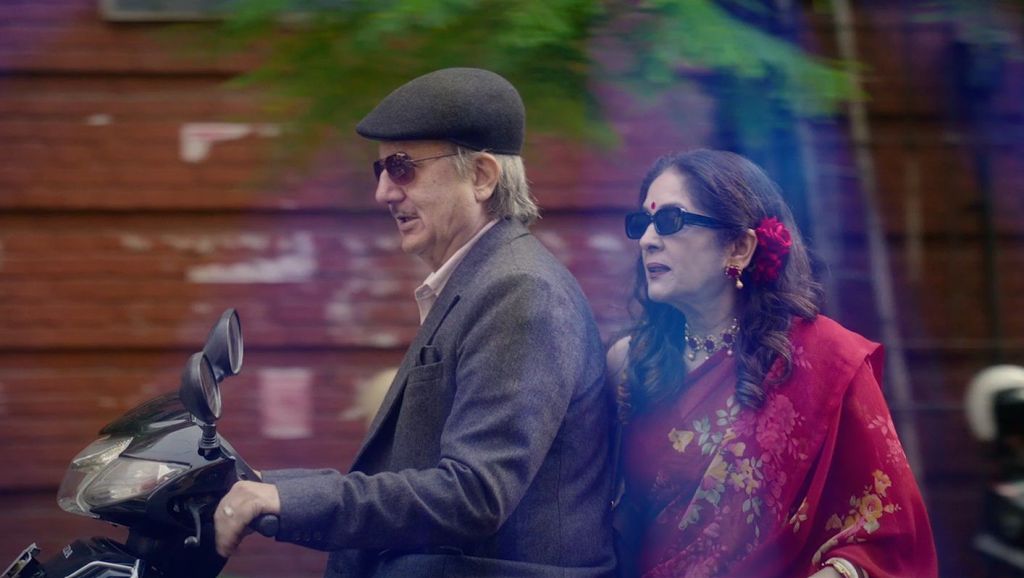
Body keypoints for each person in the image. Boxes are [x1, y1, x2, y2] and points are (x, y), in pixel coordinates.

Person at [214, 67, 617, 577]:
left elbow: (473, 494)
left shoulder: (519, 290)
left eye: (402, 168)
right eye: (380, 170)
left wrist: (286, 501)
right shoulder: (481, 280)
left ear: (482, 176)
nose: (383, 192)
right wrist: (266, 488)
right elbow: (412, 471)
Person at [607, 149, 937, 578]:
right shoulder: (631, 365)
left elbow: (888, 530)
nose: (647, 239)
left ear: (739, 247)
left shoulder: (823, 359)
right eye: (643, 223)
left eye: (670, 221)